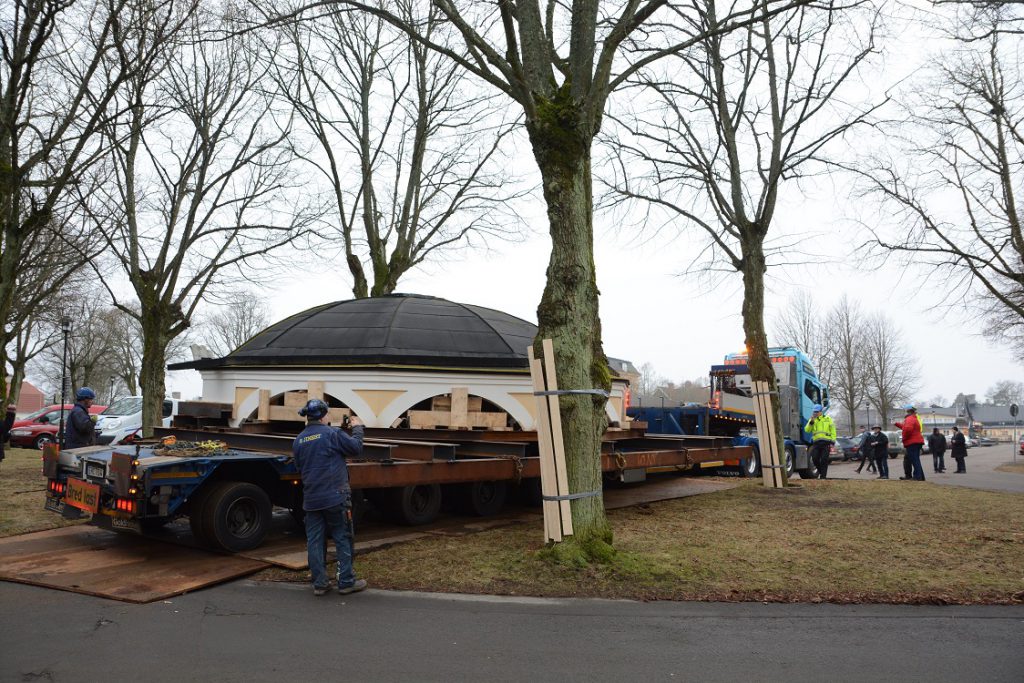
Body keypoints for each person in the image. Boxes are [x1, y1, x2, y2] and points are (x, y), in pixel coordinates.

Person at [292, 398, 367, 597]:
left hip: (311, 500)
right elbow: (356, 448)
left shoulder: (299, 440)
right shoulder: (332, 434)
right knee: (343, 537)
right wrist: (358, 428)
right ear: (324, 415)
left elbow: (299, 467)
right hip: (336, 497)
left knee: (314, 541)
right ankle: (346, 582)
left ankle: (320, 584)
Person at [804, 403, 836, 479]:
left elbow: (833, 431)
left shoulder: (828, 419)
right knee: (814, 459)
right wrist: (811, 421)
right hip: (816, 443)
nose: (815, 413)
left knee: (824, 460)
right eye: (814, 412)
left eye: (817, 412)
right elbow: (807, 430)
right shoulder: (812, 420)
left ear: (821, 412)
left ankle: (823, 477)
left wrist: (833, 441)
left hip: (826, 443)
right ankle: (822, 472)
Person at [894, 405, 925, 481]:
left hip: (912, 442)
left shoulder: (909, 419)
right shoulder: (913, 418)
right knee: (916, 459)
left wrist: (904, 438)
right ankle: (920, 477)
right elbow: (906, 427)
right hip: (917, 441)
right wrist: (896, 423)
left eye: (905, 411)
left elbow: (907, 429)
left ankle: (917, 477)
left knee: (914, 460)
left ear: (908, 411)